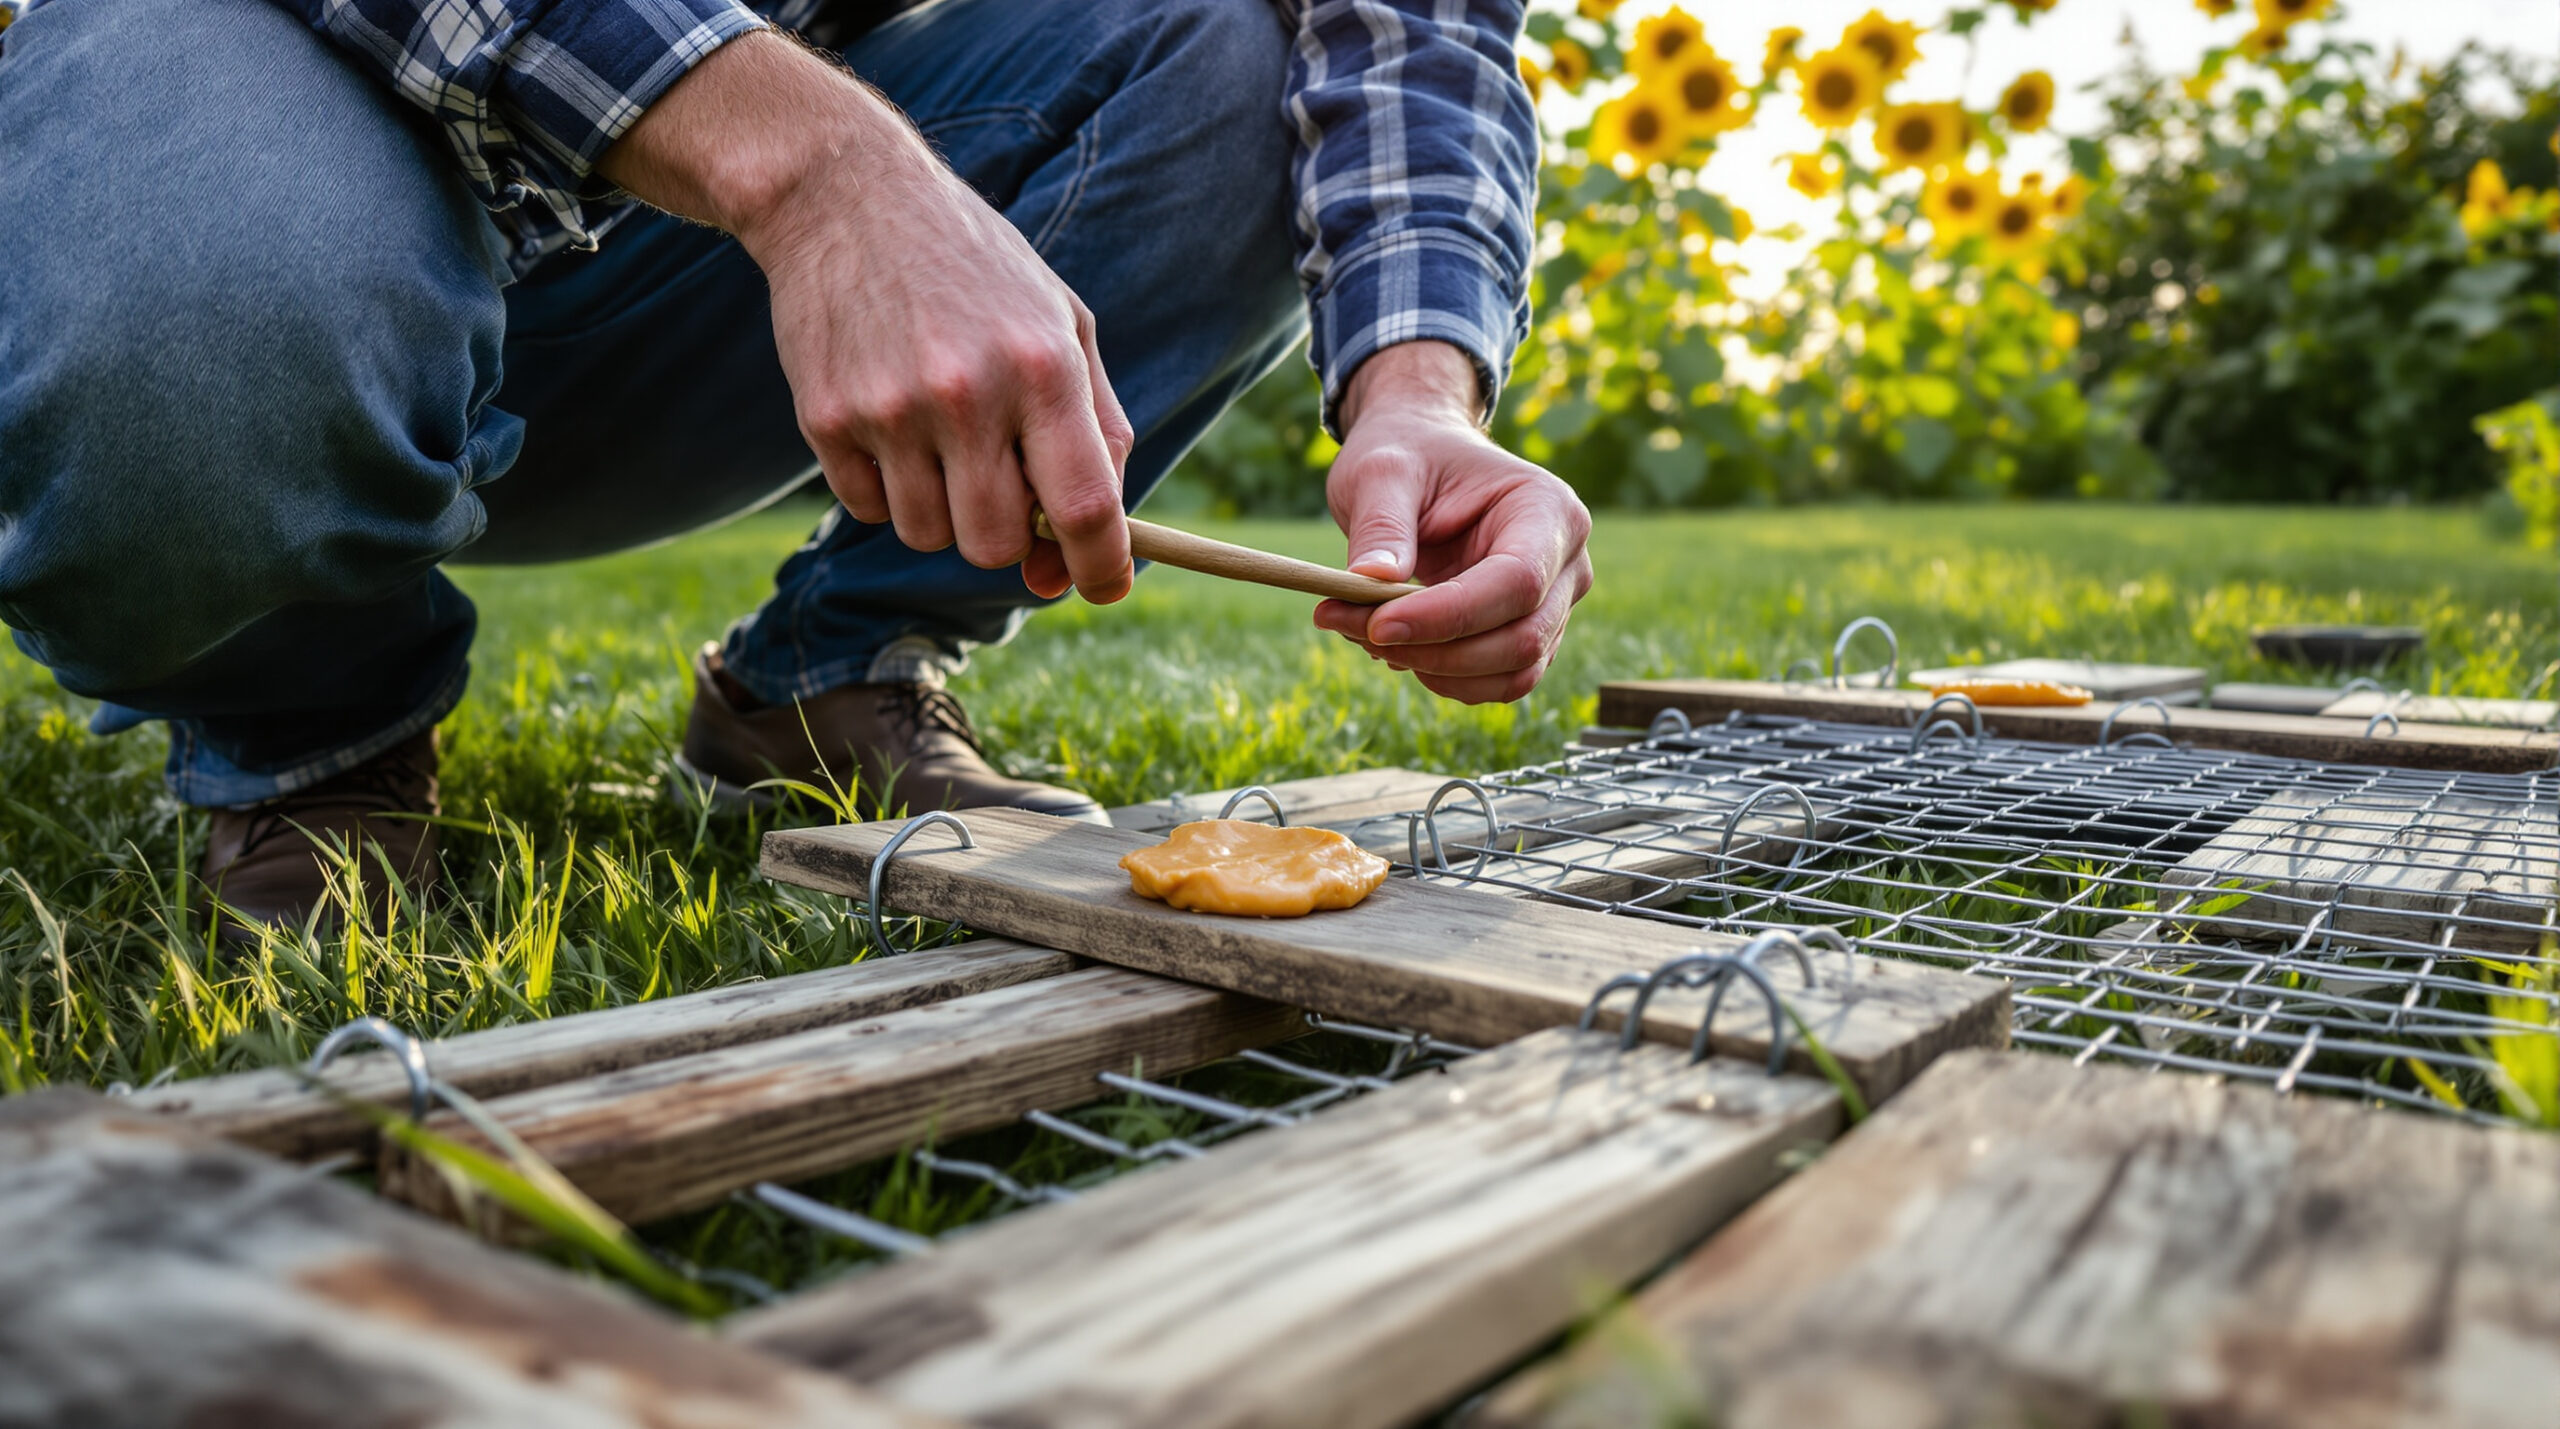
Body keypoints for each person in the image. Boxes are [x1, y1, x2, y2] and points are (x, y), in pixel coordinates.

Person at [0, 0, 1592, 929]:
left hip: (667, 284)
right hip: (262, 132)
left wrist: (1419, 388)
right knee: (178, 293)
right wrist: (815, 169)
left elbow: (1401, 27)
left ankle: (830, 670)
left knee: (1242, 67)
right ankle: (308, 726)